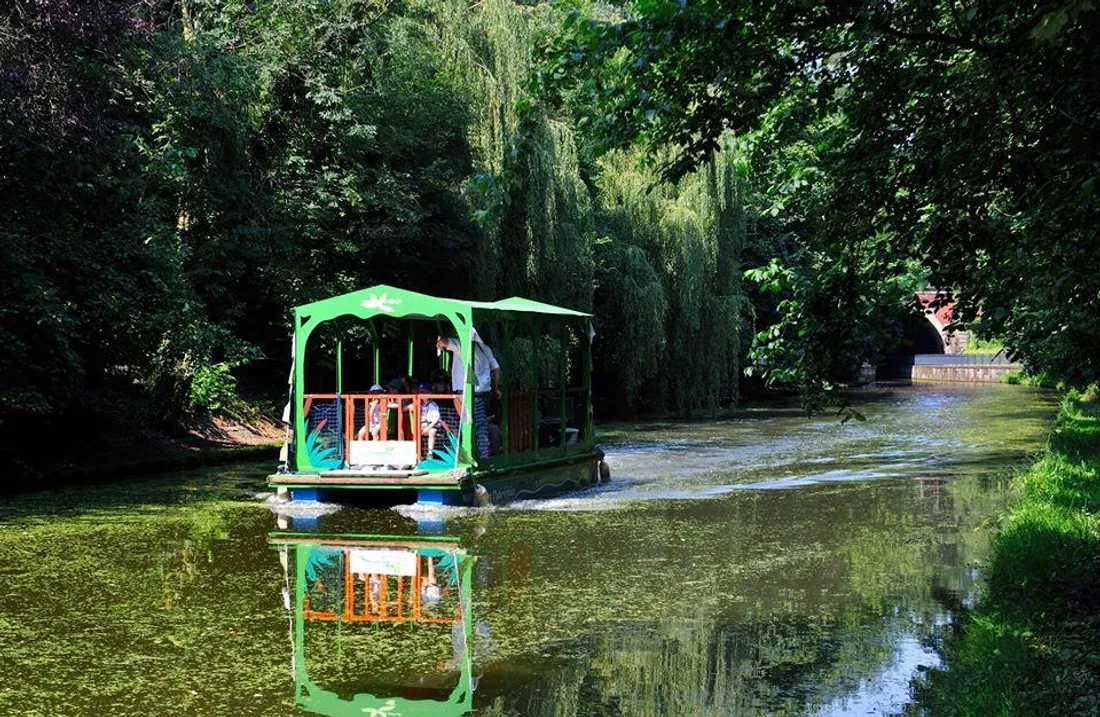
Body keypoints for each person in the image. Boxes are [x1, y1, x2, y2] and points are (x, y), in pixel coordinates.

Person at [436, 330, 501, 459]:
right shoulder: (485, 348)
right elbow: (497, 370)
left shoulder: (461, 344)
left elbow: (444, 342)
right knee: (481, 424)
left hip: (464, 392)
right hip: (483, 393)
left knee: (466, 423)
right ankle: (483, 454)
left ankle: (469, 455)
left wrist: (439, 342)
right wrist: (496, 389)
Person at [419, 382, 441, 455]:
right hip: (420, 426)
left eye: (424, 392)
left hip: (429, 426)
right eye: (421, 392)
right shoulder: (417, 403)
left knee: (432, 432)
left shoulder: (433, 405)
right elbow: (406, 408)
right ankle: (416, 454)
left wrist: (427, 429)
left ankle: (430, 453)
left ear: (429, 393)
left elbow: (435, 420)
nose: (422, 394)